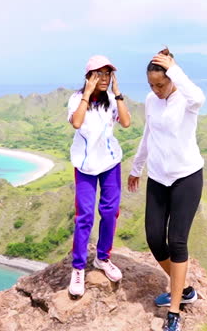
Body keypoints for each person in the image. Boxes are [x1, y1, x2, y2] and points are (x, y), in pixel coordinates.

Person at [129, 47, 205, 331]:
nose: (157, 90)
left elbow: (199, 96)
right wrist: (137, 167)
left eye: (161, 84)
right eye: (151, 85)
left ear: (172, 77)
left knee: (177, 242)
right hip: (158, 177)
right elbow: (148, 134)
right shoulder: (151, 100)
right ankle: (184, 288)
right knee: (153, 238)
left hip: (187, 177)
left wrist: (174, 68)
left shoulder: (187, 99)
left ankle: (175, 311)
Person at [66, 55, 131, 298]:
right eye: (99, 73)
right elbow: (76, 123)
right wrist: (87, 93)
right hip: (85, 165)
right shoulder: (76, 99)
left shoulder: (112, 100)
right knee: (85, 216)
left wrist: (118, 93)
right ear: (88, 76)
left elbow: (125, 122)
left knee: (110, 211)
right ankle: (78, 267)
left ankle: (103, 258)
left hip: (110, 162)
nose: (104, 78)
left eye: (108, 73)